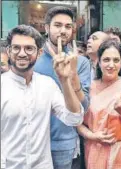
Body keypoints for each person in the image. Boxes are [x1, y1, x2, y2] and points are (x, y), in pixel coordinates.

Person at [1, 25, 84, 169]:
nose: (22, 53)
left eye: (29, 48)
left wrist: (64, 80)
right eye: (16, 48)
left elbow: (74, 118)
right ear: (8, 51)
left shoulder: (47, 85)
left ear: (39, 53)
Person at [33, 6, 91, 169]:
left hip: (64, 143)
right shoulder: (33, 58)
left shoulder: (81, 62)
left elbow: (84, 107)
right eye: (57, 25)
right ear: (46, 28)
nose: (63, 31)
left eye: (68, 26)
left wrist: (73, 76)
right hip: (32, 142)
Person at [77, 39, 121, 169]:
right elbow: (76, 121)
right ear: (98, 62)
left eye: (116, 60)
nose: (111, 65)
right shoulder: (88, 87)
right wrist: (93, 136)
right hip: (96, 148)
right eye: (106, 60)